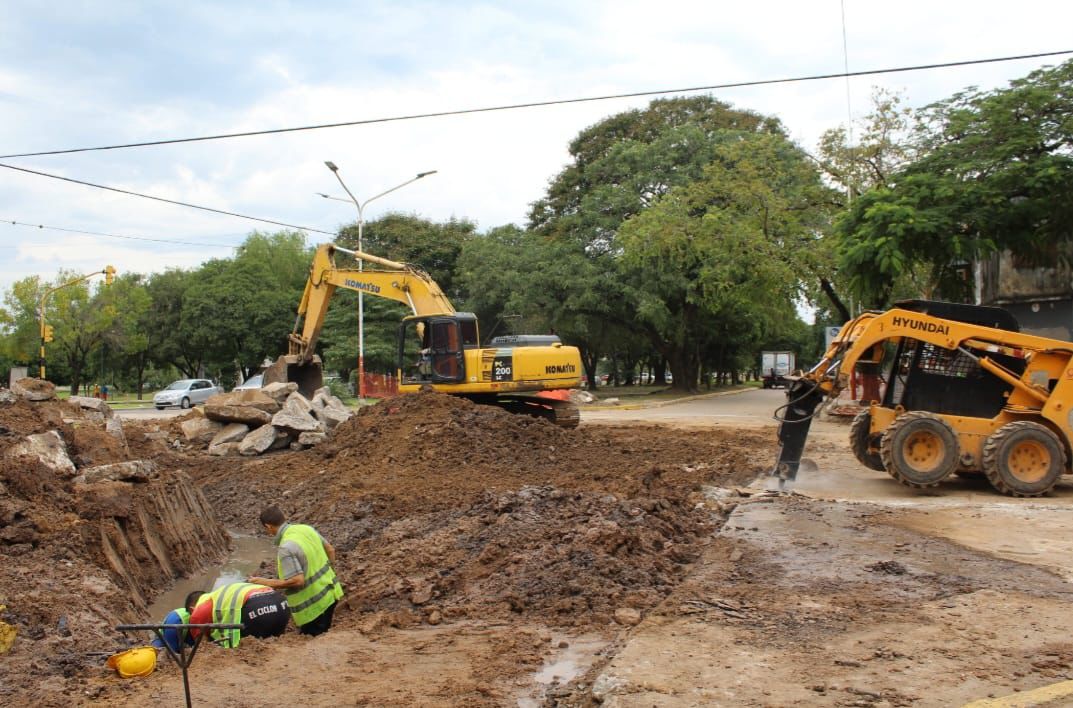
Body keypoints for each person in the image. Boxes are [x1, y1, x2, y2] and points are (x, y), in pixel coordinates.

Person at [249, 506, 344, 637]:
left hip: (313, 607)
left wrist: (266, 582)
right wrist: (330, 571)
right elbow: (330, 550)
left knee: (313, 642)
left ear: (268, 526)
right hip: (331, 592)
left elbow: (297, 581)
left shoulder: (286, 547)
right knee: (324, 635)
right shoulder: (306, 529)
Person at [186, 582, 290, 648]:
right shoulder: (218, 596)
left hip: (258, 608)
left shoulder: (197, 612)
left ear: (192, 609)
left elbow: (203, 647)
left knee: (247, 648)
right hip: (281, 604)